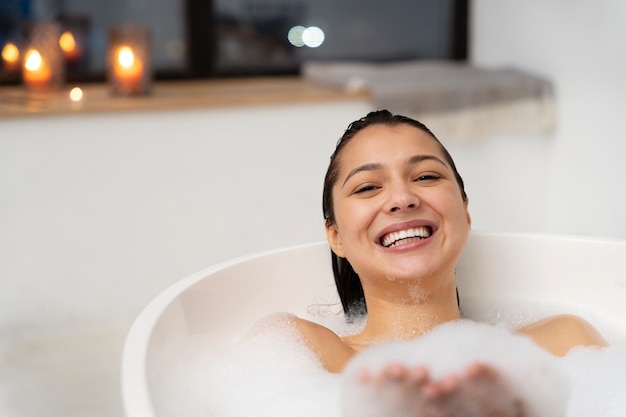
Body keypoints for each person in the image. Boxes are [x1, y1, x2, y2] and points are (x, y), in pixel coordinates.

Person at [289, 110, 608, 416]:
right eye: (368, 187)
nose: (402, 198)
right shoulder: (303, 354)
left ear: (465, 212)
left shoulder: (564, 345)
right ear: (336, 237)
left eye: (426, 176)